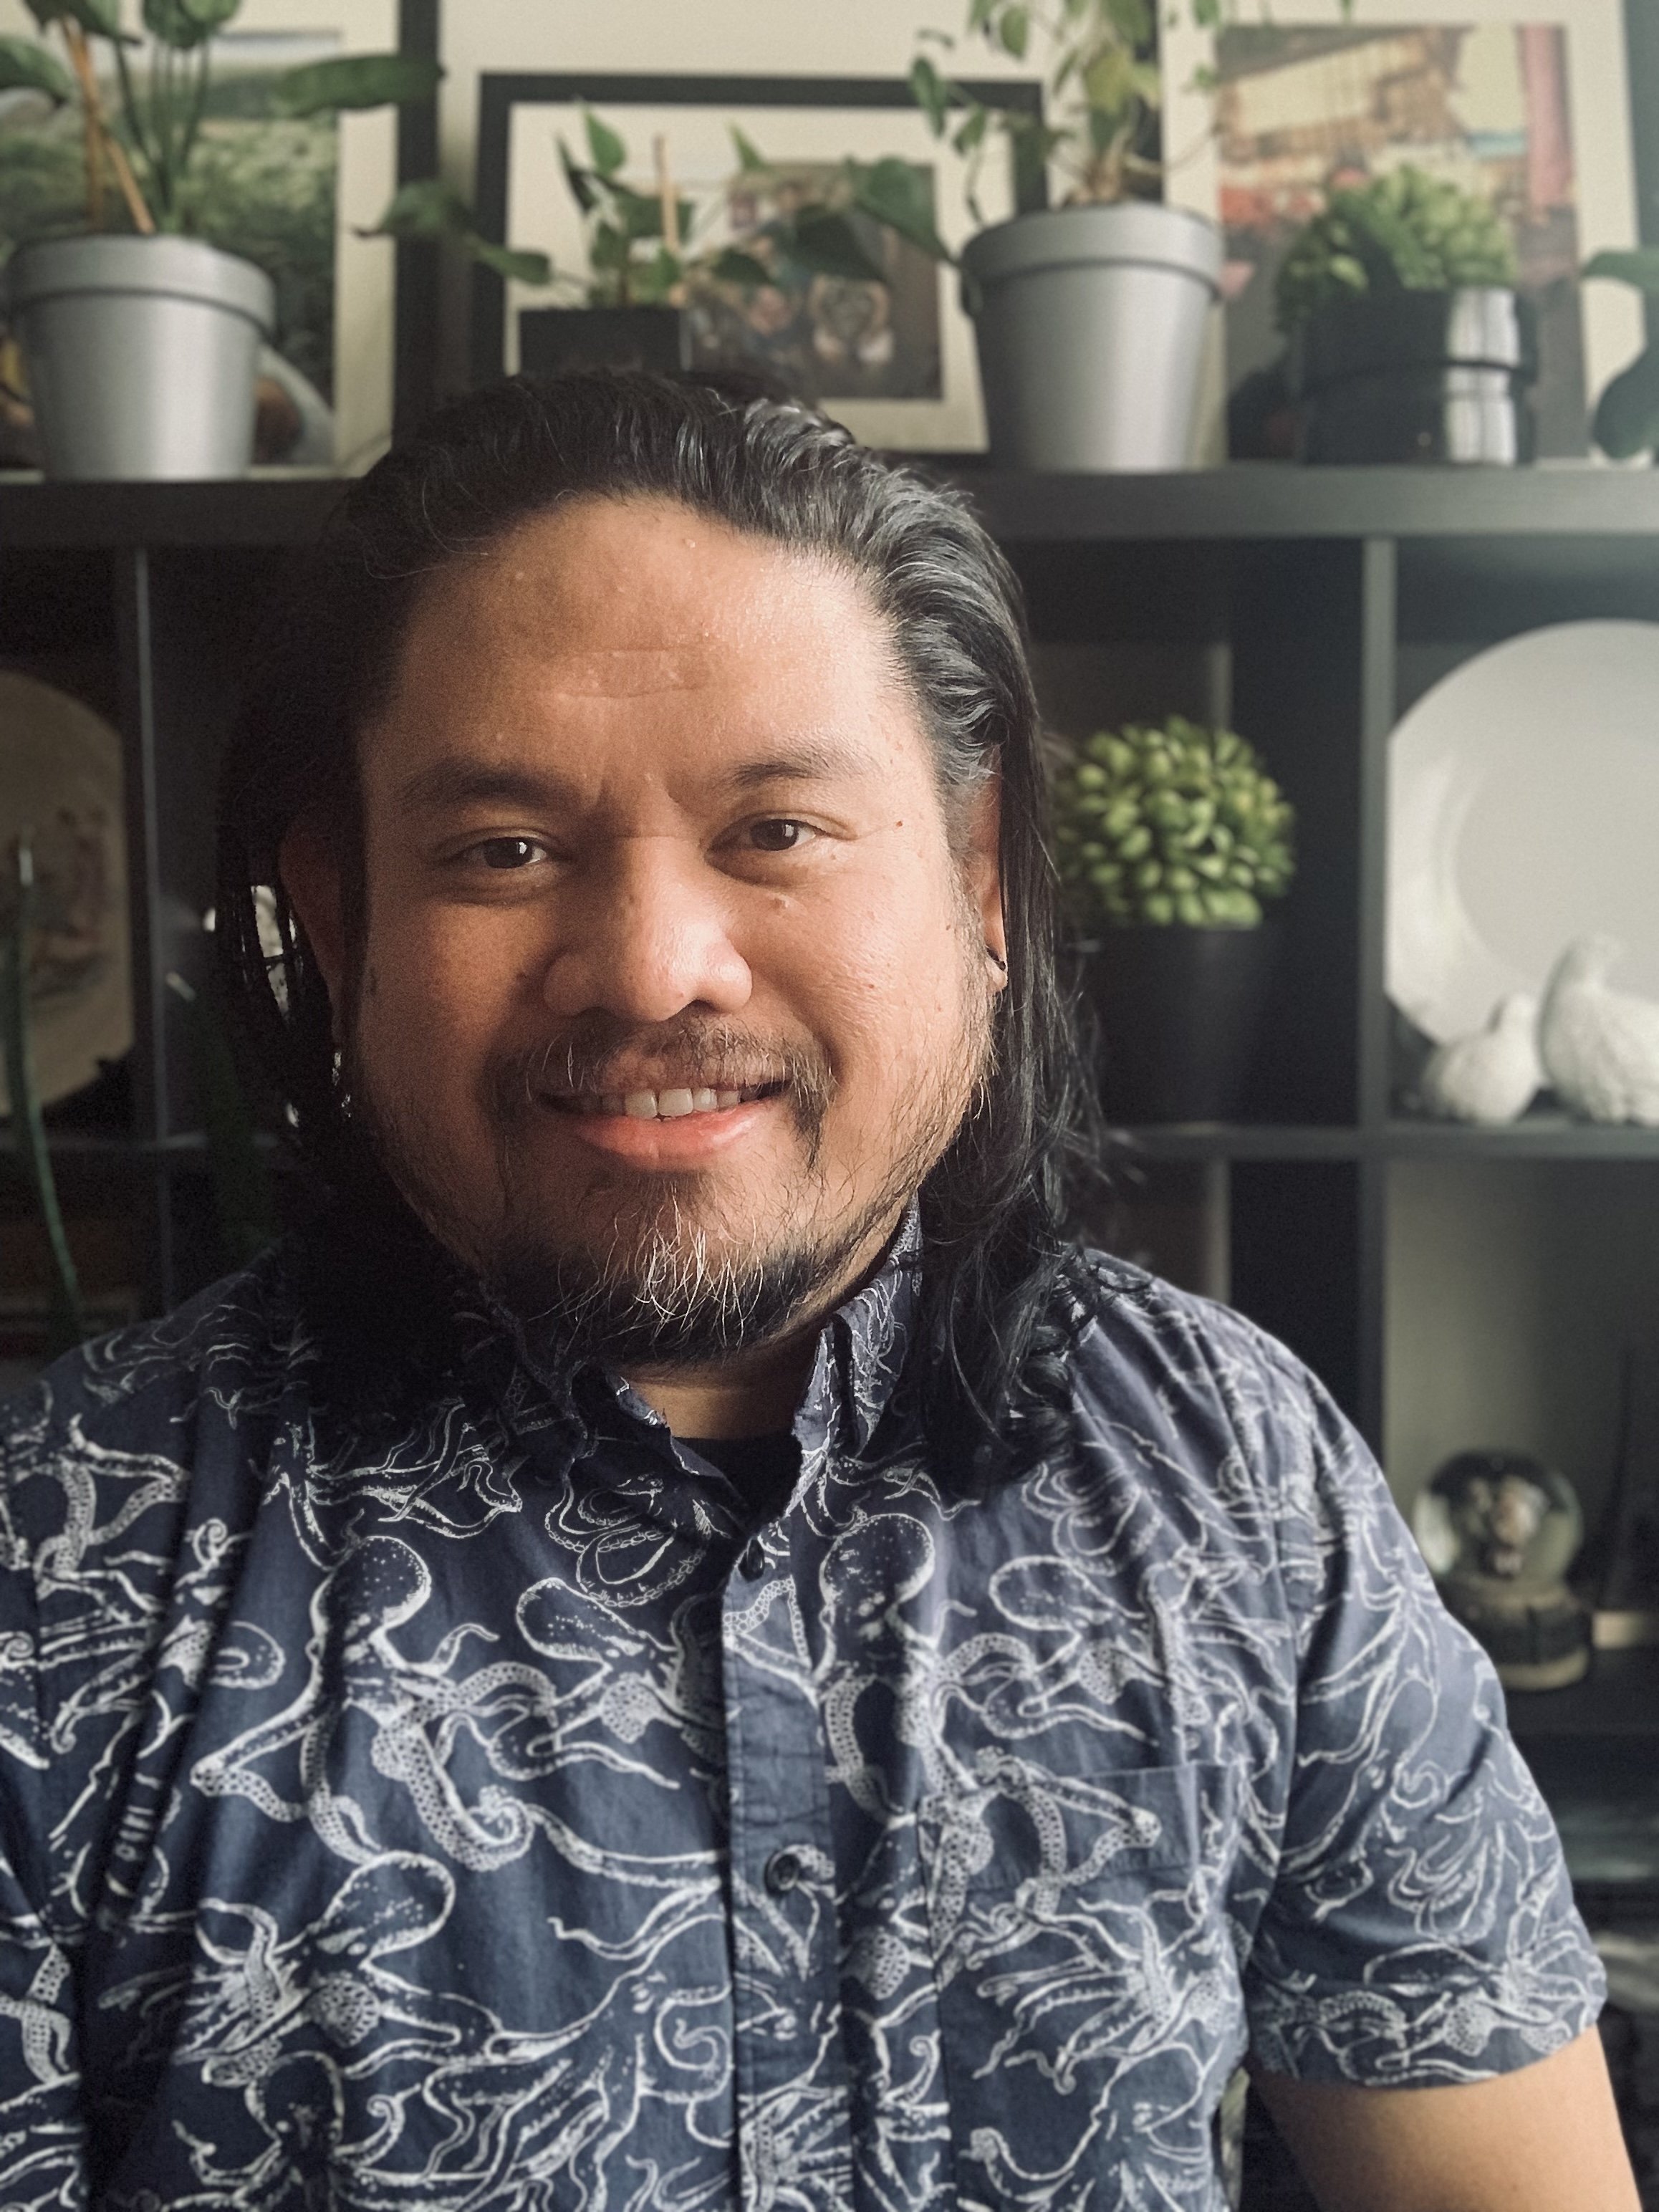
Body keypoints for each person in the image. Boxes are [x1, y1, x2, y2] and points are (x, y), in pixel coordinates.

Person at [0, 372, 1635, 2212]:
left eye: (776, 828)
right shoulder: (67, 1560)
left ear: (982, 879)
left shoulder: (1241, 1487)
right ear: (339, 905)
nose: (651, 965)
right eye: (503, 849)